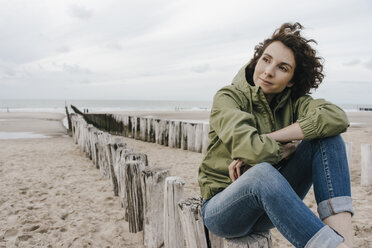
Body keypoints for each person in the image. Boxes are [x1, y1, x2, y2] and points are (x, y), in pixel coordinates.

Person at [198, 22, 353, 248]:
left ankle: (344, 241)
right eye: (266, 59)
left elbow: (336, 117)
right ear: (257, 60)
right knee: (261, 173)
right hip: (223, 210)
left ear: (291, 79)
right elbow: (250, 148)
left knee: (328, 138)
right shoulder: (228, 97)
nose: (268, 71)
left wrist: (274, 139)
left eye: (282, 67)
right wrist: (287, 148)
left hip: (270, 208)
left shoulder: (296, 103)